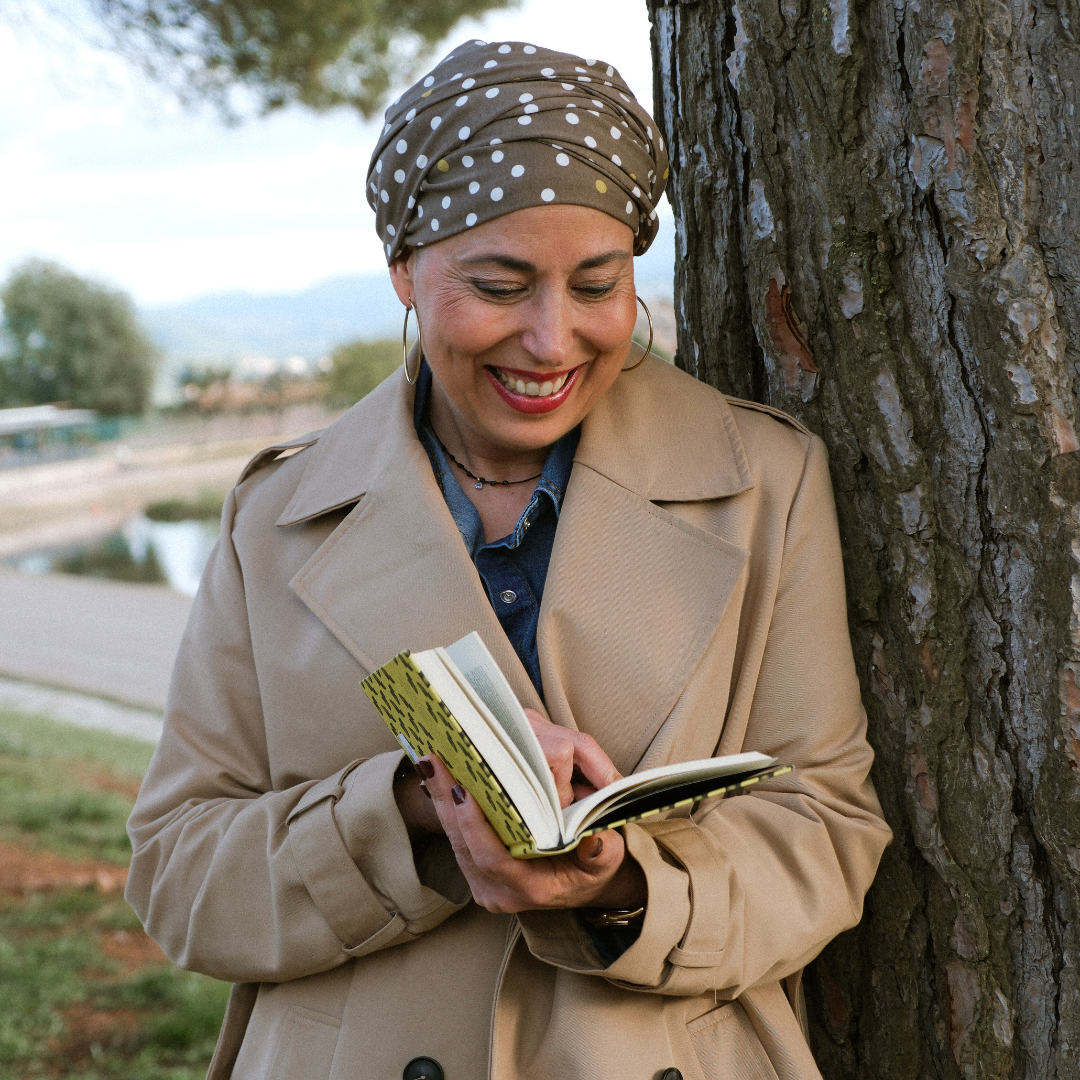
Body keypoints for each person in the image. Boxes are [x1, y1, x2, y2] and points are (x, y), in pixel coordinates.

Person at [126, 39, 892, 1080]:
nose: (552, 338)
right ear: (402, 267)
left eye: (598, 283)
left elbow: (827, 828)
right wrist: (408, 809)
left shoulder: (766, 482)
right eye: (498, 284)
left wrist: (621, 889)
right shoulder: (274, 516)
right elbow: (179, 877)